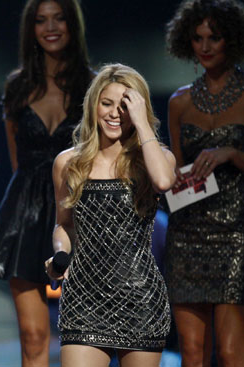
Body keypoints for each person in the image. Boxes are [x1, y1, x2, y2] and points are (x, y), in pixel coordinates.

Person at [0, 0, 94, 365]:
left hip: (79, 213)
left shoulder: (93, 87)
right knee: (32, 336)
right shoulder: (17, 87)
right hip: (24, 215)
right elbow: (18, 161)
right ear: (31, 29)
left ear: (72, 25)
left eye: (59, 18)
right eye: (41, 20)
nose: (50, 27)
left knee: (87, 337)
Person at [45, 63, 176, 367]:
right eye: (107, 104)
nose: (115, 114)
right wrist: (61, 253)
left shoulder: (155, 159)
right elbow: (63, 224)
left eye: (125, 106)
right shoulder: (68, 163)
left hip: (140, 299)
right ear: (94, 105)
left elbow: (163, 182)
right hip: (83, 298)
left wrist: (143, 125)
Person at [164, 0, 244, 366]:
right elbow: (176, 173)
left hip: (235, 235)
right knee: (192, 353)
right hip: (187, 233)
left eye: (215, 37)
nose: (206, 46)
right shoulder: (180, 102)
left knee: (229, 354)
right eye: (198, 38)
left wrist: (231, 153)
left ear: (233, 39)